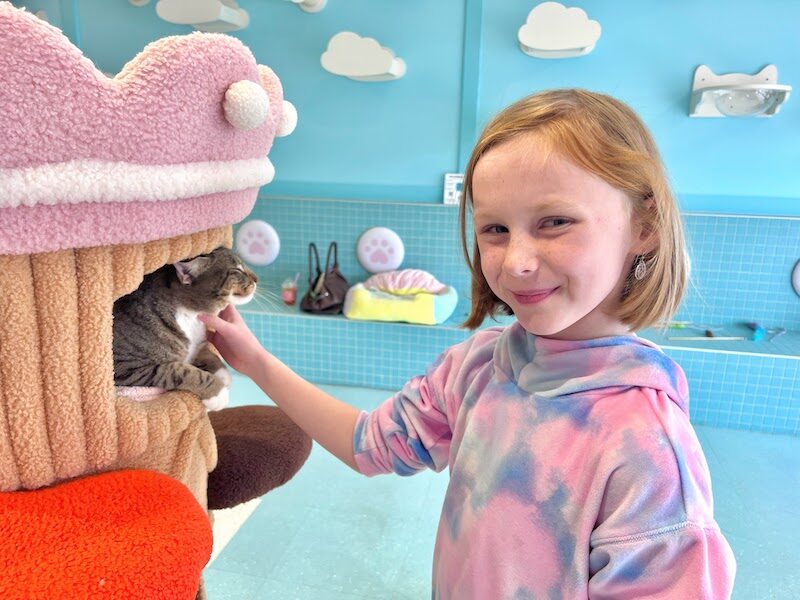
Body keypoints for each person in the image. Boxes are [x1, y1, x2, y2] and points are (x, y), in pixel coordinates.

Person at [199, 89, 736, 598]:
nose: (516, 261)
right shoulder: (479, 364)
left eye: (554, 222)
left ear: (644, 224)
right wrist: (256, 362)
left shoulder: (647, 450)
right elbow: (370, 443)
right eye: (495, 229)